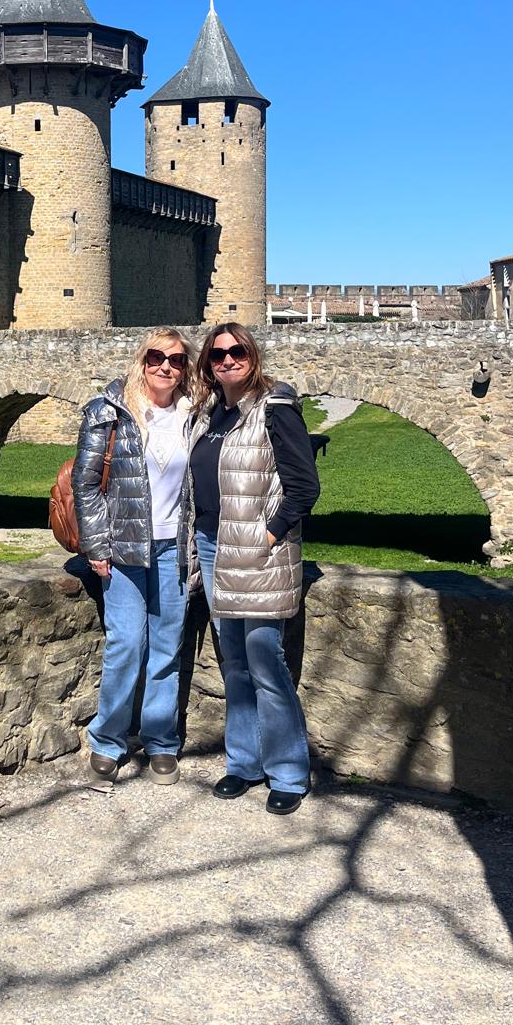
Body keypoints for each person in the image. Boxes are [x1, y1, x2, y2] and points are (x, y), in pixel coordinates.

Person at [188, 322, 321, 816]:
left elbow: (304, 487)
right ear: (208, 363)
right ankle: (243, 763)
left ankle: (288, 772)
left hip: (260, 552)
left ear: (253, 355)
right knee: (234, 662)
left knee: (265, 660)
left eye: (237, 351)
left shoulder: (275, 406)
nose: (228, 359)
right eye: (218, 354)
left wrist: (269, 534)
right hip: (212, 546)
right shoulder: (208, 412)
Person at [72, 327, 196, 788]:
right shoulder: (109, 411)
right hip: (123, 549)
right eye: (156, 357)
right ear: (142, 360)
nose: (166, 366)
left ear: (185, 369)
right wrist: (96, 545)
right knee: (126, 645)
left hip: (174, 548)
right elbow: (85, 483)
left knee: (167, 647)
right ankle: (108, 739)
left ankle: (161, 740)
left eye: (176, 360)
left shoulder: (194, 414)